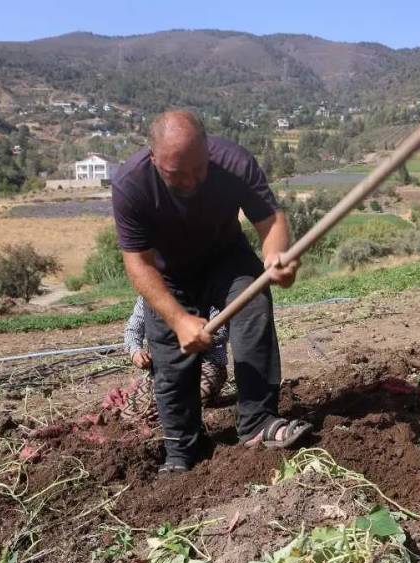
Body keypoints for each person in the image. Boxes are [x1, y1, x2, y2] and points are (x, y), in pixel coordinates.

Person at [112, 109, 312, 474]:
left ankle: (256, 423)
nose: (191, 181)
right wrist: (178, 319)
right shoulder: (132, 184)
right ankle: (182, 449)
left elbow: (271, 220)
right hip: (167, 273)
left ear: (208, 149)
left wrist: (275, 258)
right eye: (177, 174)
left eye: (199, 169)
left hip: (226, 257)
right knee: (170, 358)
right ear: (154, 159)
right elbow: (138, 263)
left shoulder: (233, 162)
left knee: (253, 306)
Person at [123, 296, 228, 404]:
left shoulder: (201, 288)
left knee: (198, 393)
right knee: (132, 408)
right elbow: (133, 329)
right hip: (164, 370)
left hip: (204, 364)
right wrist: (135, 352)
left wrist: (197, 337)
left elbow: (222, 330)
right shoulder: (147, 296)